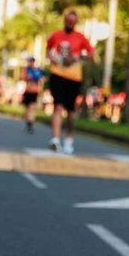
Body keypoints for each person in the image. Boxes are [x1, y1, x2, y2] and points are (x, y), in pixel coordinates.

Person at [45, 11, 94, 154]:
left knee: (70, 112)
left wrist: (78, 57)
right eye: (68, 20)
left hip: (74, 78)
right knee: (57, 106)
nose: (70, 23)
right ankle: (55, 140)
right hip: (57, 74)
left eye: (72, 21)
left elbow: (91, 54)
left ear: (75, 22)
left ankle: (68, 140)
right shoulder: (56, 35)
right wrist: (52, 58)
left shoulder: (80, 37)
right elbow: (48, 50)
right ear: (64, 20)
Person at [21, 56, 44, 134]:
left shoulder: (38, 70)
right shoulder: (26, 70)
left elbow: (42, 78)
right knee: (27, 109)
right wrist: (28, 78)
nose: (30, 63)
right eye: (29, 61)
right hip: (27, 91)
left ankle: (30, 124)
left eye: (31, 61)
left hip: (34, 91)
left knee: (32, 107)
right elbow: (23, 77)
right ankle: (28, 122)